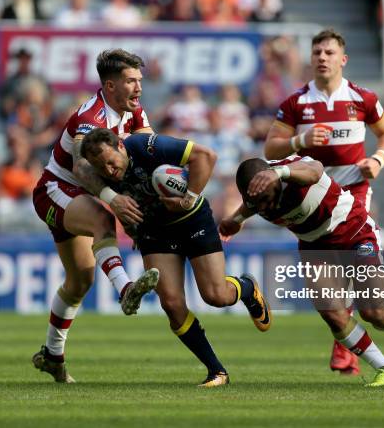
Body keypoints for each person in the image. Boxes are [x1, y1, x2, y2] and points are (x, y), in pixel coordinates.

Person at [80, 128, 272, 387]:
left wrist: (188, 199)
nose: (109, 171)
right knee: (171, 303)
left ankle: (247, 288)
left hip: (191, 219)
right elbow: (82, 173)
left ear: (121, 147)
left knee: (216, 296)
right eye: (101, 168)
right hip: (154, 232)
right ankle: (217, 371)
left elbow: (207, 156)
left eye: (111, 162)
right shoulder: (100, 177)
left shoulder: (143, 146)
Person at [219, 156, 384, 387]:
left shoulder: (292, 173)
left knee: (373, 312)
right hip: (315, 246)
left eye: (266, 200)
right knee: (332, 314)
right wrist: (236, 220)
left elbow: (315, 169)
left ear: (274, 181)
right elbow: (253, 205)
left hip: (354, 232)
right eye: (256, 203)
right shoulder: (257, 196)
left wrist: (279, 172)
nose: (264, 207)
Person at [263, 28, 384, 375]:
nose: (322, 58)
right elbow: (270, 148)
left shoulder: (362, 98)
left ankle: (350, 344)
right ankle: (347, 337)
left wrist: (378, 160)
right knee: (326, 293)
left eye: (329, 52)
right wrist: (300, 140)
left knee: (354, 275)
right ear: (311, 59)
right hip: (313, 202)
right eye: (317, 52)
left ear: (343, 59)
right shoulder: (297, 103)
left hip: (354, 195)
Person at [31, 49, 160, 383]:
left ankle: (52, 356)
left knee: (79, 283)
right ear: (110, 85)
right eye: (131, 81)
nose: (138, 88)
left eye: (139, 81)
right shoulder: (91, 117)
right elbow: (82, 165)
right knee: (103, 219)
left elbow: (150, 151)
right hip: (55, 191)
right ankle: (125, 288)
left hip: (79, 198)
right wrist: (112, 198)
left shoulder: (133, 112)